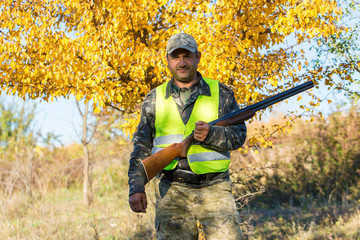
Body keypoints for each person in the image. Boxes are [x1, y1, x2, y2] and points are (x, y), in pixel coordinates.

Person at [128, 33, 247, 240]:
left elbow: (239, 136)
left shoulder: (221, 92)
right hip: (172, 191)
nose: (181, 62)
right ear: (167, 60)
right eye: (176, 57)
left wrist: (212, 134)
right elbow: (141, 146)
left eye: (187, 56)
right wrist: (136, 186)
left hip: (215, 189)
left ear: (198, 57)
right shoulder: (154, 99)